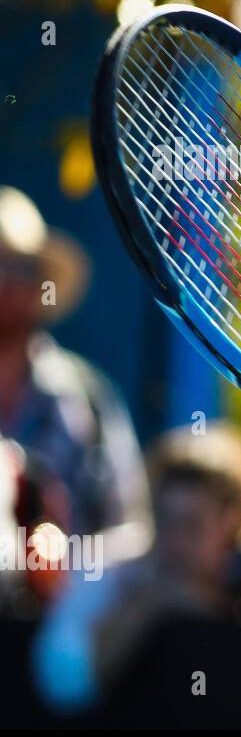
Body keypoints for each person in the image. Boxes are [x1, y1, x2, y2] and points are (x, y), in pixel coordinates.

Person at [31, 423, 241, 718]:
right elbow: (64, 687)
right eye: (165, 520)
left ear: (235, 522)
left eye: (193, 525)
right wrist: (146, 607)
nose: (175, 541)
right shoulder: (113, 569)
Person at [0, 186, 148, 543]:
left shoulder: (88, 399)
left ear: (39, 285)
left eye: (17, 268)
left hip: (69, 596)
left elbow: (125, 528)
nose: (2, 282)